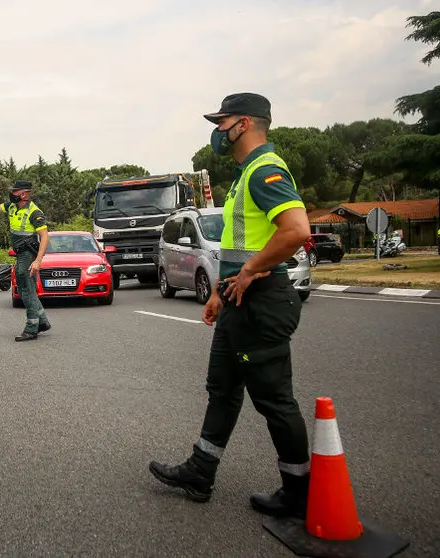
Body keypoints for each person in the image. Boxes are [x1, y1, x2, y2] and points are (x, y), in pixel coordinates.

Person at [149, 93, 313, 520]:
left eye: (223, 123)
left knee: (274, 400)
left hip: (262, 302)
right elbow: (241, 245)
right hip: (239, 300)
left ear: (243, 123)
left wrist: (250, 272)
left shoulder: (265, 169)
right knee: (221, 389)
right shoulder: (244, 175)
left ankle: (298, 493)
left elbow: (296, 231)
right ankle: (200, 473)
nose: (218, 132)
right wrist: (221, 292)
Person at [0, 180, 51, 341]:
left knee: (27, 290)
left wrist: (38, 260)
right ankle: (42, 321)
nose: (11, 193)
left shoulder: (35, 212)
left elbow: (44, 237)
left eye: (15, 191)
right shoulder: (11, 206)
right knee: (23, 290)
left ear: (24, 194)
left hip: (28, 254)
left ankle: (31, 328)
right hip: (20, 254)